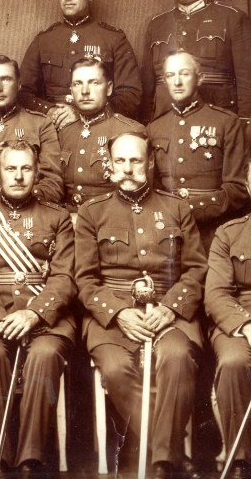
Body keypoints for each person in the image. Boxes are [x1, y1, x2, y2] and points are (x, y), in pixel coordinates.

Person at [76, 132, 207, 479]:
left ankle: (162, 461)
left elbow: (196, 269)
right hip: (112, 317)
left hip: (168, 312)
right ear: (110, 165)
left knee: (177, 357)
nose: (128, 168)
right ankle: (168, 449)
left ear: (149, 163)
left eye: (135, 160)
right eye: (120, 161)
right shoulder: (91, 212)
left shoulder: (177, 208)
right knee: (115, 369)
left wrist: (171, 308)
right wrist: (118, 312)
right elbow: (85, 279)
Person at [0, 140, 75, 476]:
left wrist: (34, 313)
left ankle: (29, 459)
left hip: (45, 315)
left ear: (37, 173)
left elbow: (65, 275)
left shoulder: (58, 217)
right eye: (11, 168)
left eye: (26, 168)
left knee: (45, 354)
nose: (19, 176)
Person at [141, 0, 251, 137]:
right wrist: (145, 124)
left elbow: (246, 79)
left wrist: (246, 123)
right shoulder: (157, 24)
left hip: (217, 124)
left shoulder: (232, 18)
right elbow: (147, 85)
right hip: (165, 122)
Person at [147, 50, 247, 251]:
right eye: (170, 75)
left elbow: (237, 190)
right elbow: (152, 187)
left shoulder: (226, 122)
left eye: (184, 74)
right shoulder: (154, 128)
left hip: (213, 233)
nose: (177, 82)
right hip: (166, 230)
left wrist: (188, 210)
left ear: (199, 78)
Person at [19, 0, 142, 128]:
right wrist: (50, 111)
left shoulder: (113, 38)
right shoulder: (43, 40)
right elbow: (22, 92)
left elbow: (131, 95)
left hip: (100, 126)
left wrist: (85, 111)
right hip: (53, 125)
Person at [204, 156, 251, 479]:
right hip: (237, 319)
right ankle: (241, 459)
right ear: (248, 186)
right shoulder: (229, 234)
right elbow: (217, 294)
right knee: (234, 362)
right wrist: (245, 326)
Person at [57, 58, 145, 211]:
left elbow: (139, 196)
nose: (85, 91)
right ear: (71, 90)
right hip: (68, 217)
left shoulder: (131, 131)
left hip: (111, 218)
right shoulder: (63, 131)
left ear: (109, 88)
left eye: (94, 83)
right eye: (77, 84)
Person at [0, 55, 64, 203]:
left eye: (6, 79)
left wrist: (22, 199)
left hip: (30, 207)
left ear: (19, 84)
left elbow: (53, 184)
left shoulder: (41, 124)